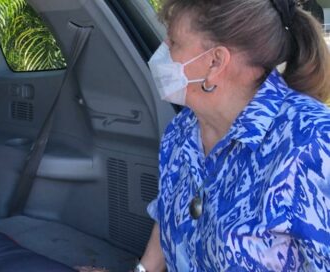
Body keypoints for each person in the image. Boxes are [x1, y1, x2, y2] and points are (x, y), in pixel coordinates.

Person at [136, 0, 330, 271]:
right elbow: (168, 215)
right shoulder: (181, 131)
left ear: (215, 62)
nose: (162, 50)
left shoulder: (313, 143)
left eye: (174, 42)